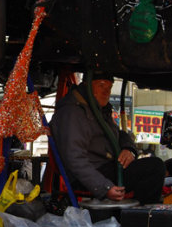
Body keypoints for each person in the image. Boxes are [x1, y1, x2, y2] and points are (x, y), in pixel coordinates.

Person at [49, 72, 164, 204]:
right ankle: (138, 218)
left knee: (155, 166)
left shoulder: (99, 110)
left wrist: (128, 149)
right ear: (86, 85)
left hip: (108, 168)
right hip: (90, 175)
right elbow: (74, 158)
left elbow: (119, 134)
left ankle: (135, 214)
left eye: (109, 87)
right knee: (154, 168)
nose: (106, 92)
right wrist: (104, 187)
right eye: (101, 86)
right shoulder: (72, 113)